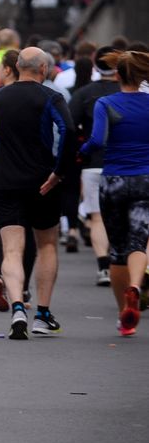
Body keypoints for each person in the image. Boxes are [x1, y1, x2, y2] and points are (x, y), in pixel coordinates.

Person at [0, 47, 75, 340]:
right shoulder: (51, 97)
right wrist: (59, 171)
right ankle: (42, 312)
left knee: (12, 249)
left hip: (6, 181)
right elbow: (68, 130)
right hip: (43, 182)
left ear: (16, 66)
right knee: (47, 245)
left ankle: (17, 307)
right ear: (43, 69)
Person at [79, 50, 149, 336]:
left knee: (117, 249)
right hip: (146, 178)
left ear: (117, 75)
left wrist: (81, 154)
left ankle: (124, 312)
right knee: (139, 239)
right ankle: (136, 284)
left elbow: (97, 140)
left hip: (115, 179)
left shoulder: (105, 103)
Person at [69, 46, 121, 287]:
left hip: (93, 162)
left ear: (95, 64)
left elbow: (70, 125)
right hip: (127, 163)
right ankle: (126, 262)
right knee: (129, 217)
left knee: (97, 217)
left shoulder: (84, 93)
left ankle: (103, 266)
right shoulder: (129, 92)